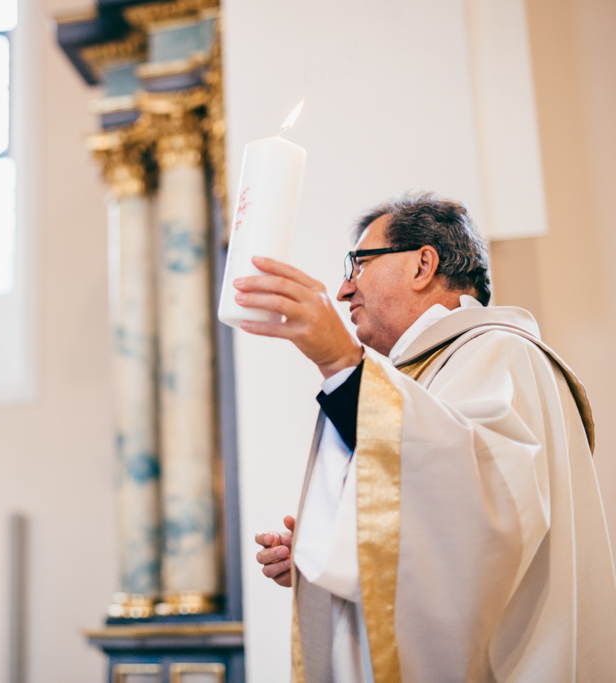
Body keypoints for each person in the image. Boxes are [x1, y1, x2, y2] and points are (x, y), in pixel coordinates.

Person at [236, 191, 616, 682]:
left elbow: (483, 514)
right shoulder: (422, 376)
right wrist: (330, 552)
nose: (344, 290)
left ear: (422, 265)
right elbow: (427, 519)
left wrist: (340, 364)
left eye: (358, 265)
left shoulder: (501, 354)